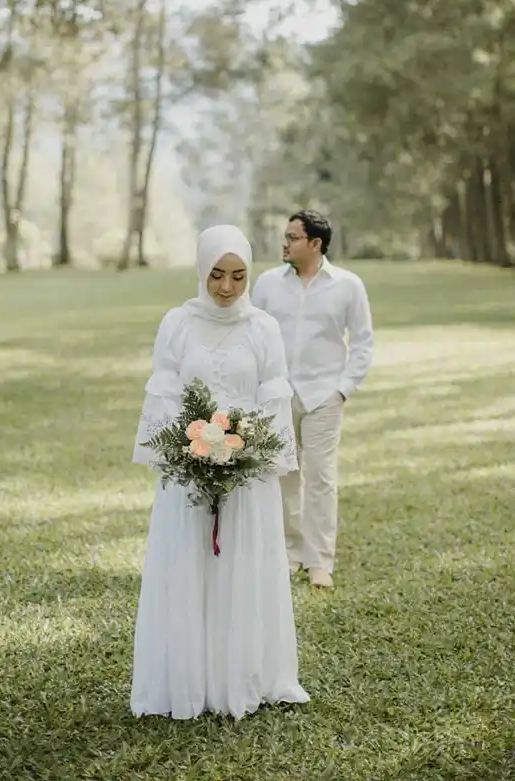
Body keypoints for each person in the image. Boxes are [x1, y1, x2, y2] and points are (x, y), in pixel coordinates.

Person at [130, 224, 310, 721]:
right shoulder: (176, 324)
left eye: (237, 275)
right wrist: (186, 454)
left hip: (246, 479)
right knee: (189, 569)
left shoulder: (263, 328)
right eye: (216, 274)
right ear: (201, 270)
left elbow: (274, 399)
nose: (226, 287)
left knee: (242, 570)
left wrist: (250, 455)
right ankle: (188, 680)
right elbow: (164, 396)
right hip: (188, 478)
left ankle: (243, 678)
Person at [251, 210, 374, 589]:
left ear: (315, 243)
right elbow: (252, 334)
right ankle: (290, 555)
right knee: (285, 476)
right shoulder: (268, 284)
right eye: (285, 236)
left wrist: (342, 390)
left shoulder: (348, 285)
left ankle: (320, 562)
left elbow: (363, 342)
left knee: (321, 478)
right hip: (279, 394)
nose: (284, 243)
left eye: (292, 237)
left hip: (324, 395)